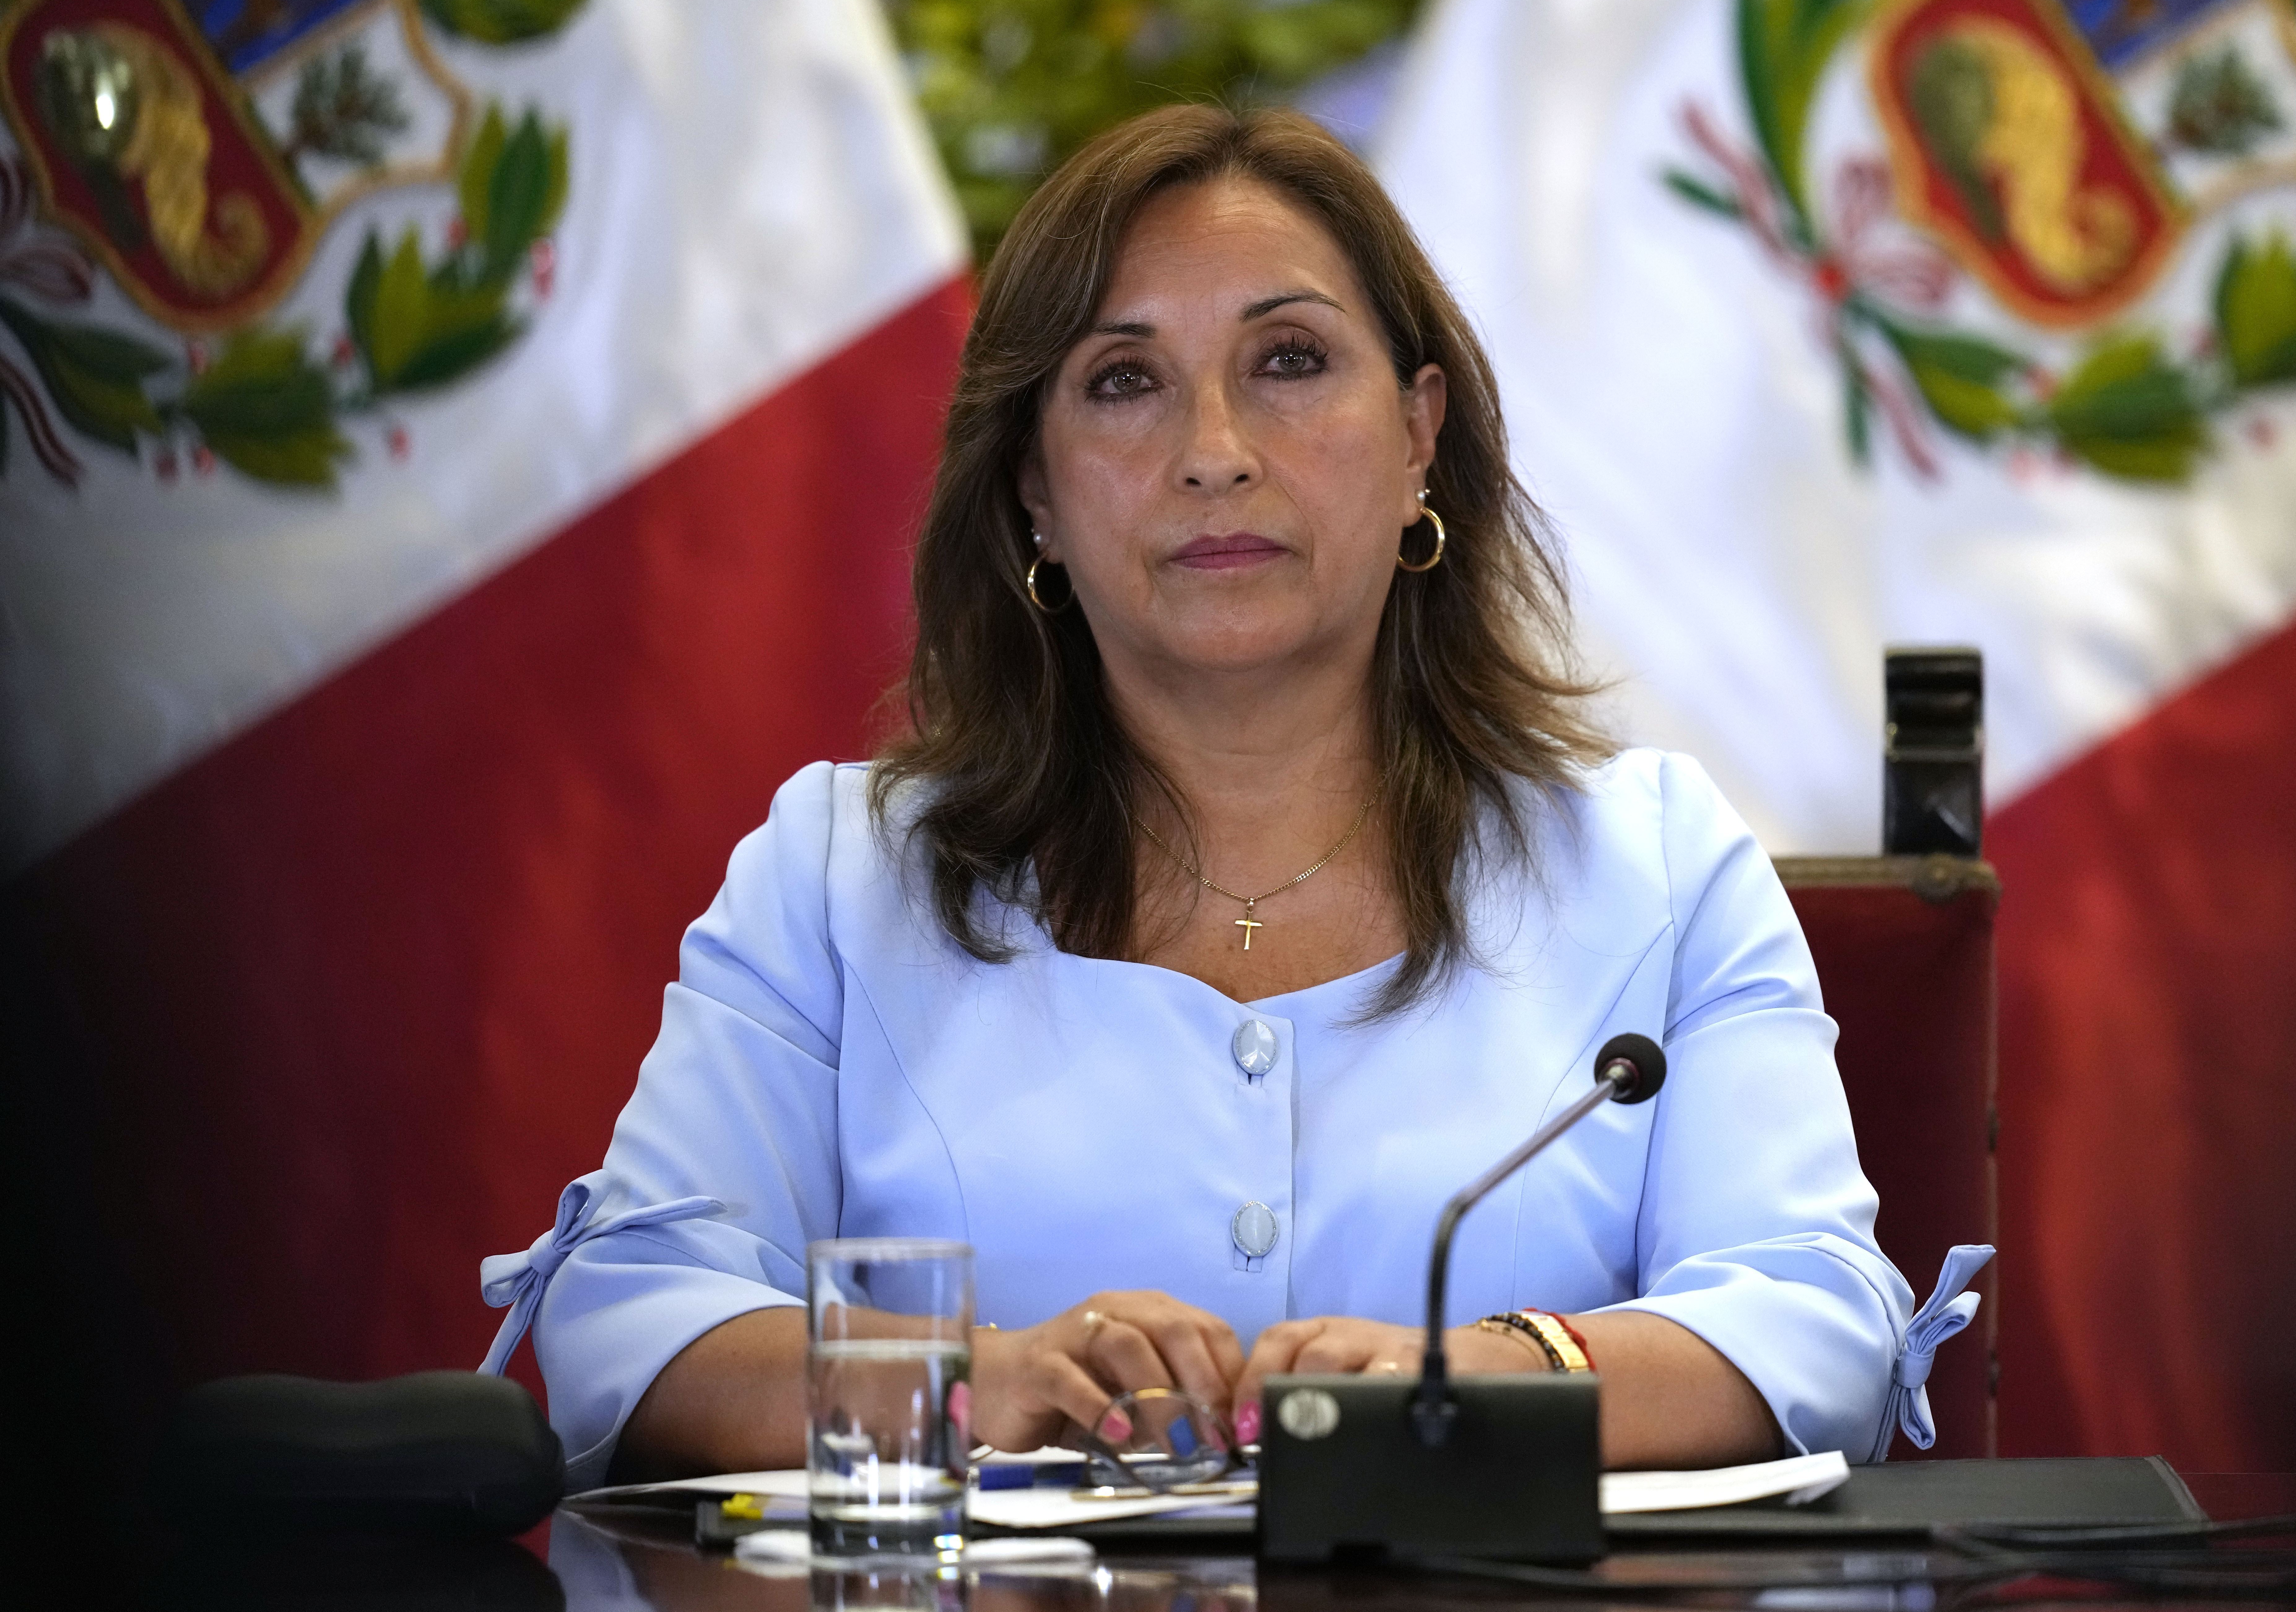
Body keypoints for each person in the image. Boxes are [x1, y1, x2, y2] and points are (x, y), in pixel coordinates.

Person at [481, 105, 1957, 1492]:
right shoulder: (837, 876)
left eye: (1291, 361)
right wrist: (969, 1381)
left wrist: (1490, 1377)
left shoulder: (1651, 860)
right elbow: (628, 1323)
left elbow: (1810, 1324)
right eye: (1122, 382)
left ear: (1417, 433)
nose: (1213, 452)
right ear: (1035, 497)